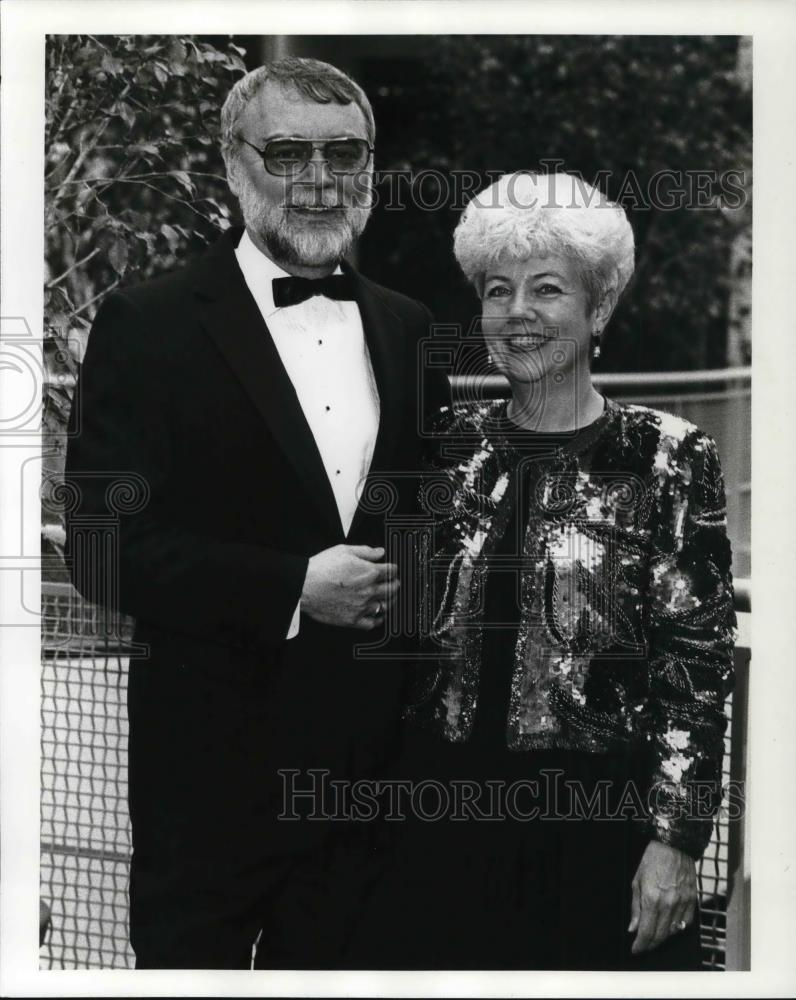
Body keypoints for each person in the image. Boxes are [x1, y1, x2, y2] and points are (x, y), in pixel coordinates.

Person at [65, 57, 445, 969]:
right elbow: (102, 548)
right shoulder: (144, 324)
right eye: (287, 153)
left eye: (344, 154)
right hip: (207, 791)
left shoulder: (408, 325)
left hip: (365, 795)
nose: (319, 182)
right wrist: (290, 588)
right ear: (235, 167)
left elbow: (422, 524)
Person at [362, 171, 737, 970]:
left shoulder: (667, 457)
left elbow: (695, 673)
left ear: (598, 308)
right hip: (436, 822)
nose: (517, 312)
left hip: (594, 831)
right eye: (497, 291)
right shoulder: (443, 444)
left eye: (545, 289)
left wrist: (676, 843)